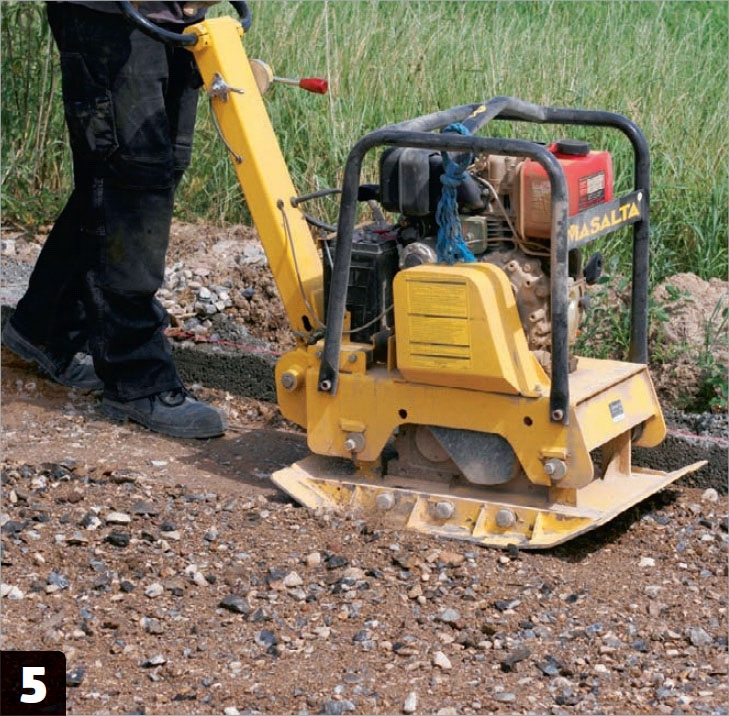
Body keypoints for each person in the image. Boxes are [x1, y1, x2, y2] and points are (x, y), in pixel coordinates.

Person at [2, 1, 227, 439]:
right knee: (132, 185)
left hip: (176, 19)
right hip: (109, 18)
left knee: (144, 174)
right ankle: (137, 378)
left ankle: (44, 327)